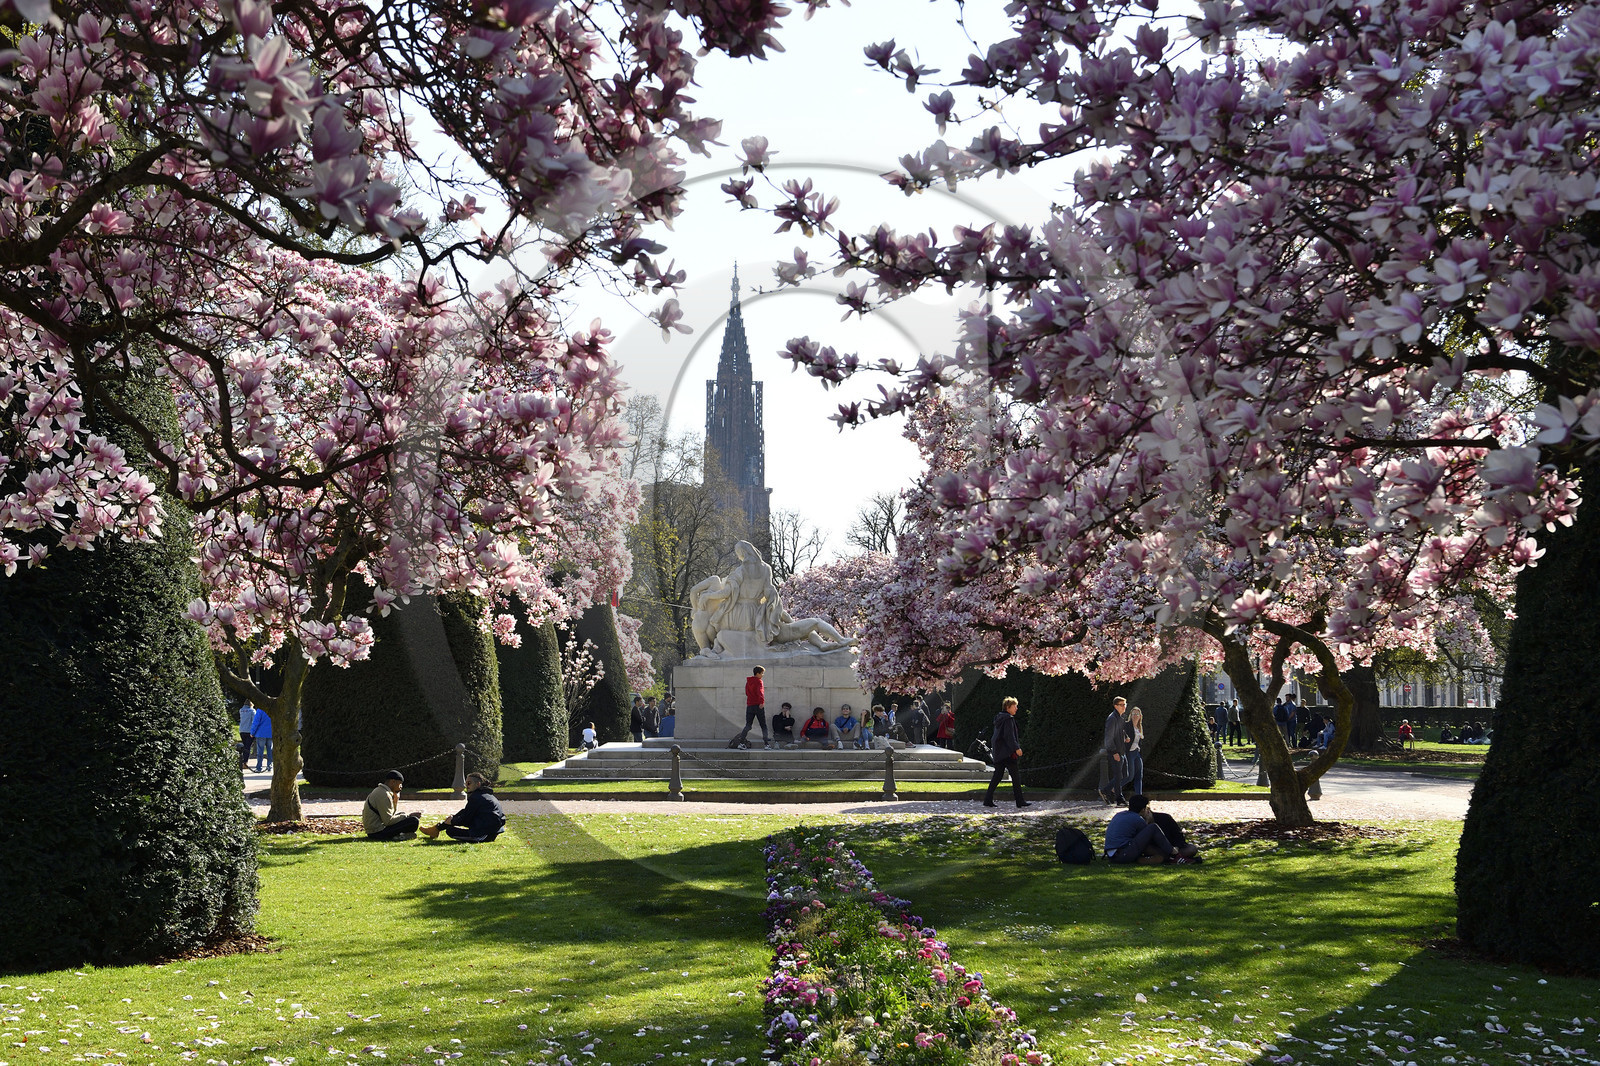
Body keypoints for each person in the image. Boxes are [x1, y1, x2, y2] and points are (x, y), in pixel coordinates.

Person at [1105, 794, 1201, 865]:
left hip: (1114, 854)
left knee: (1161, 852)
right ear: (1143, 809)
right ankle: (1174, 855)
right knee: (1153, 827)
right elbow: (1148, 839)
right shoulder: (1138, 819)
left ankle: (1167, 858)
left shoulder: (1120, 815)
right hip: (1122, 853)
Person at [420, 772, 505, 842]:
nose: (466, 786)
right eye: (465, 783)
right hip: (489, 831)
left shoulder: (476, 798)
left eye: (469, 783)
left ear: (478, 784)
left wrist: (452, 821)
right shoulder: (486, 795)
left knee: (450, 830)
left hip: (484, 834)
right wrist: (453, 819)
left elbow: (466, 820)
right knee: (462, 812)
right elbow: (466, 813)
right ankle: (436, 829)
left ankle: (436, 829)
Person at [983, 696, 1030, 809]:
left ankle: (988, 799)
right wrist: (1016, 748)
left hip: (1000, 753)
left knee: (997, 777)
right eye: (1015, 706)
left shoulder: (1000, 718)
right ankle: (1020, 801)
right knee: (1015, 777)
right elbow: (1009, 736)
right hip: (1007, 753)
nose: (1016, 708)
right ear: (1008, 707)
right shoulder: (1008, 719)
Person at [363, 771, 422, 841]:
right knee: (413, 821)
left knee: (403, 814)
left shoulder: (381, 791)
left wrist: (395, 800)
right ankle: (397, 837)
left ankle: (399, 836)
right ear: (393, 782)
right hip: (377, 833)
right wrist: (407, 816)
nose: (401, 787)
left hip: (375, 830)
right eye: (400, 784)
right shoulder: (384, 794)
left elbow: (390, 816)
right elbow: (388, 821)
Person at [1101, 696, 1131, 805]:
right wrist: (1114, 752)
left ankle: (1106, 790)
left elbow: (1120, 730)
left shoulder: (1120, 717)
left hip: (1121, 750)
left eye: (1125, 704)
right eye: (1122, 705)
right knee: (1118, 776)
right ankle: (1120, 799)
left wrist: (1126, 736)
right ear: (1115, 706)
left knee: (1125, 775)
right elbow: (1108, 737)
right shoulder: (1112, 718)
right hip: (1115, 751)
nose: (1124, 707)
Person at [736, 665, 770, 748]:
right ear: (757, 673)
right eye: (762, 673)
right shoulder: (759, 681)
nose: (763, 675)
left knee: (748, 725)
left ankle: (741, 743)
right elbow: (760, 692)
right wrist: (762, 702)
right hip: (758, 705)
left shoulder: (748, 681)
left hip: (750, 705)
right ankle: (766, 744)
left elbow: (747, 693)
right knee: (763, 725)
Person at [1124, 706, 1146, 797]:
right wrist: (1125, 738)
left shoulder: (1139, 728)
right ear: (1131, 715)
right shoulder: (1127, 725)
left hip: (1137, 753)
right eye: (1133, 714)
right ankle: (1111, 788)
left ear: (1140, 716)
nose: (1135, 715)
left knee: (1139, 776)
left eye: (1137, 714)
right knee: (1129, 776)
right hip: (1129, 753)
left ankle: (1139, 797)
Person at [249, 704, 274, 773]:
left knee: (260, 751)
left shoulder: (260, 710)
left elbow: (256, 722)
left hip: (261, 733)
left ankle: (259, 767)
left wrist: (252, 732)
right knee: (270, 750)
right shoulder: (272, 710)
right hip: (270, 733)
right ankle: (269, 766)